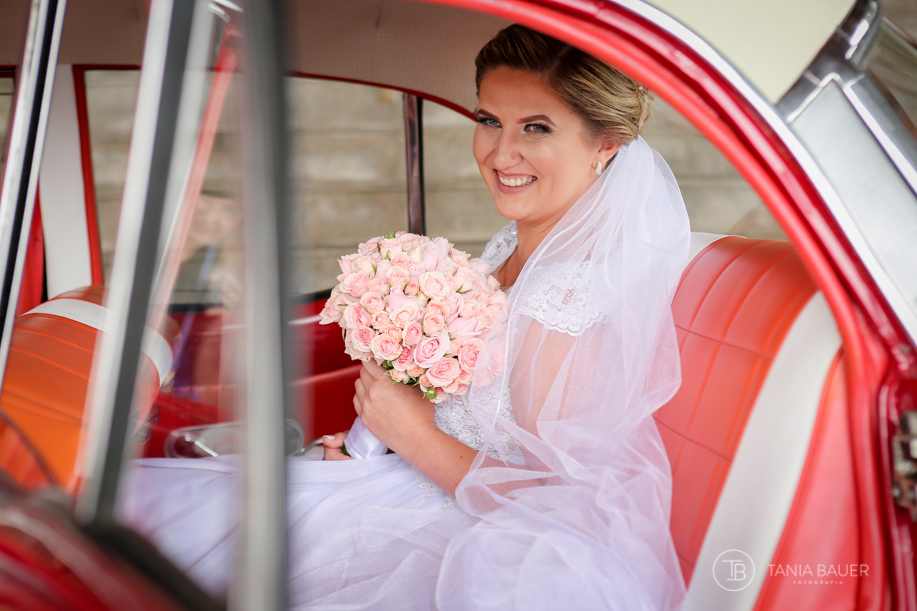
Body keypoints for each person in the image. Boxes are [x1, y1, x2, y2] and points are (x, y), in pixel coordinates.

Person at [120, 24, 690, 609]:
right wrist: (377, 445)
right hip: (411, 481)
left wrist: (413, 435)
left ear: (605, 145)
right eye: (489, 120)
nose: (500, 154)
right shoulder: (510, 246)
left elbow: (566, 509)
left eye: (536, 128)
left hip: (468, 533)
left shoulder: (568, 298)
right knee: (147, 510)